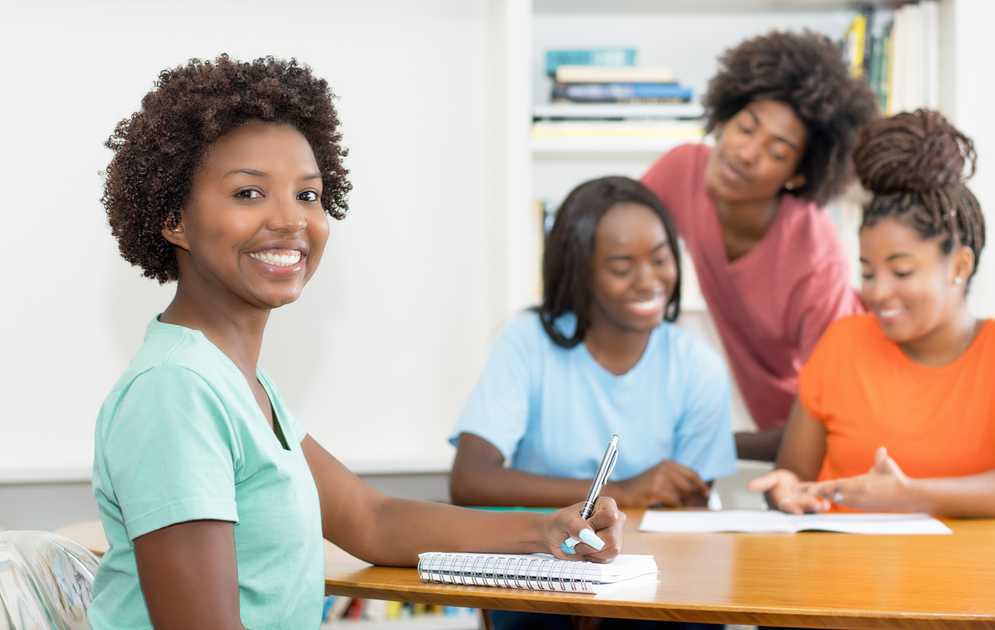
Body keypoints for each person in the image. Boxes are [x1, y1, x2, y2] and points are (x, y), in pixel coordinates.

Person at [90, 55, 623, 629]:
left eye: (309, 195)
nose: (291, 220)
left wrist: (547, 529)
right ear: (174, 220)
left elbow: (370, 519)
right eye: (248, 194)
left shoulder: (235, 382)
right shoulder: (177, 391)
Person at [749, 110, 995, 517]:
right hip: (842, 574)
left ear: (959, 266)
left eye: (901, 271)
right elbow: (794, 473)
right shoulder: (842, 343)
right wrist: (784, 490)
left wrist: (912, 496)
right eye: (867, 272)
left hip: (970, 576)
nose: (878, 292)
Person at [449, 175, 732, 630]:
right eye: (622, 267)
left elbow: (688, 517)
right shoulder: (526, 344)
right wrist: (624, 492)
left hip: (651, 579)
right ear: (581, 272)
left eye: (661, 260)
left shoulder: (698, 366)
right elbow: (470, 478)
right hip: (541, 570)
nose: (649, 281)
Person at [641, 31, 879, 462]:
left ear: (799, 174)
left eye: (777, 150)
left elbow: (839, 409)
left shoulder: (813, 252)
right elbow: (613, 238)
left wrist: (708, 448)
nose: (746, 153)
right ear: (725, 116)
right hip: (762, 421)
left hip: (835, 423)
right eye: (746, 126)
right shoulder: (681, 171)